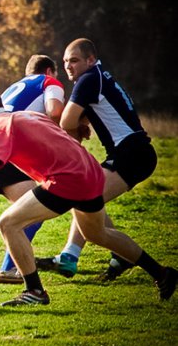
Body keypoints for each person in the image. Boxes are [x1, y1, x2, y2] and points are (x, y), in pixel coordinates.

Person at [0, 85, 176, 306]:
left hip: (66, 180)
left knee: (8, 223)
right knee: (96, 234)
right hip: (90, 172)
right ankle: (162, 273)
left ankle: (34, 291)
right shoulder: (27, 114)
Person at [35, 38, 158, 281]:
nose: (69, 66)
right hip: (132, 152)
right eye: (65, 62)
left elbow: (67, 122)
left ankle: (70, 257)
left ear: (90, 60)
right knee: (87, 201)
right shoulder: (99, 77)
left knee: (81, 194)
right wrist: (81, 125)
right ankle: (117, 255)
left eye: (74, 60)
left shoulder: (89, 78)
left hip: (132, 154)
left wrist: (74, 131)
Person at [0, 55, 65, 285]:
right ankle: (8, 269)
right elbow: (55, 111)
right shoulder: (48, 83)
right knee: (33, 213)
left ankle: (13, 267)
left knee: (29, 211)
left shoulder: (14, 87)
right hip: (7, 149)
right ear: (50, 71)